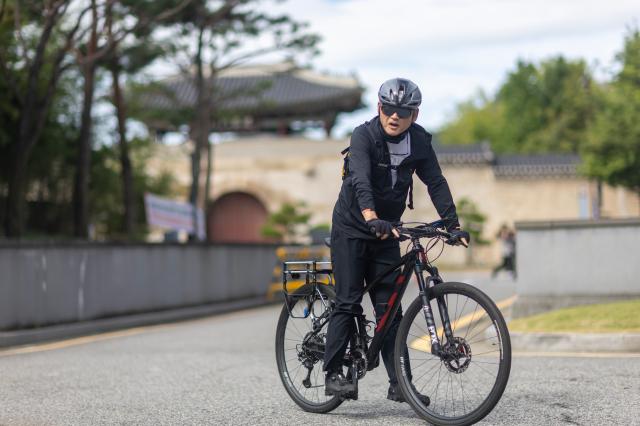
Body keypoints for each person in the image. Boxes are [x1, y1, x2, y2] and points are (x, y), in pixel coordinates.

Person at [323, 78, 470, 402]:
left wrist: (452, 224)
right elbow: (360, 178)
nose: (394, 116)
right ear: (379, 108)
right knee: (347, 301)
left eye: (402, 112)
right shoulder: (364, 135)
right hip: (352, 227)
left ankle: (399, 383)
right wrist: (370, 216)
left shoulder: (418, 141)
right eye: (388, 109)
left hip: (387, 230)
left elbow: (435, 181)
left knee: (391, 312)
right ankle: (333, 374)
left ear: (414, 115)